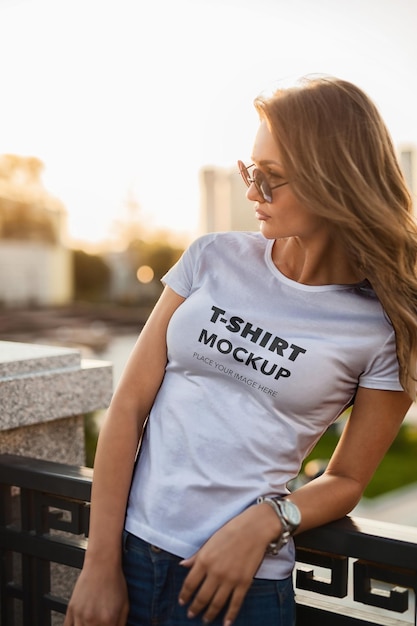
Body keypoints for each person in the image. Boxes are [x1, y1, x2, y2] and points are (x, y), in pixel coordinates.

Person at [64, 75, 417, 626]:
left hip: (237, 587)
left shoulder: (384, 324)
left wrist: (268, 520)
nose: (252, 193)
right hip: (128, 555)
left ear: (335, 179)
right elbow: (129, 406)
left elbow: (347, 480)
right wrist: (99, 562)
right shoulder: (212, 258)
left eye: (271, 179)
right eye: (249, 172)